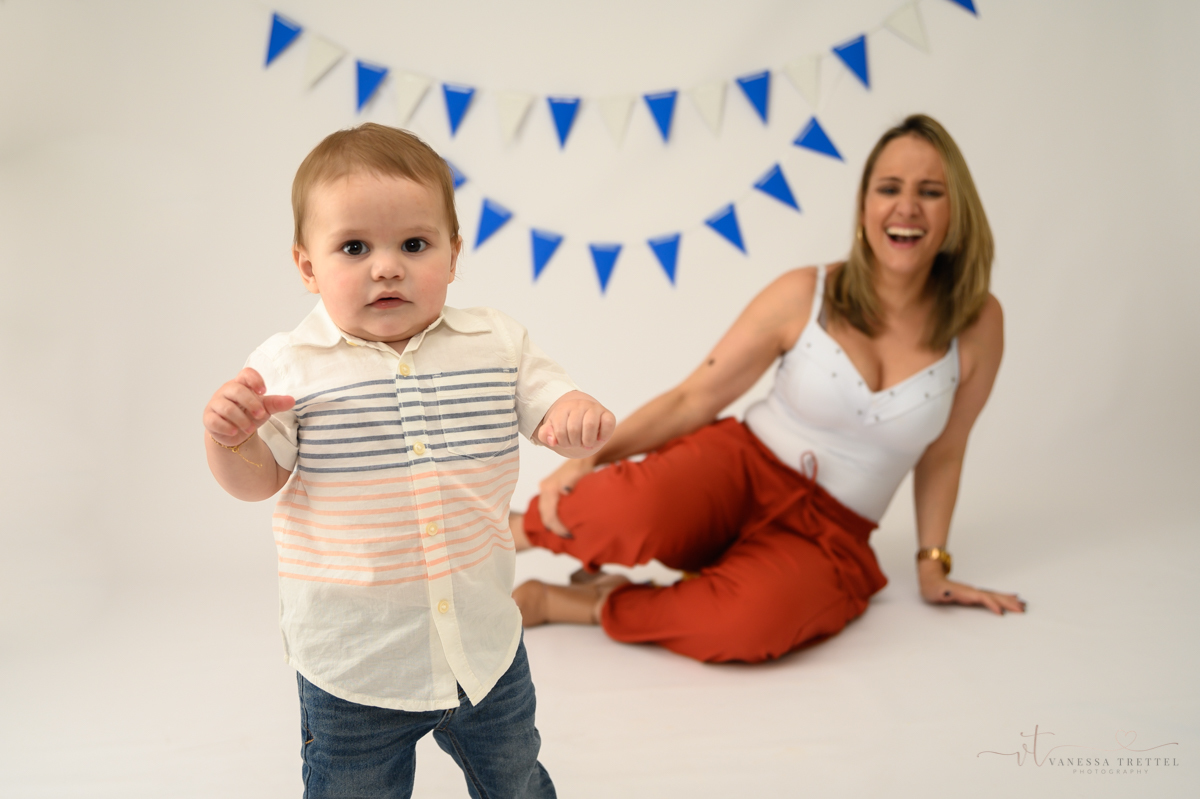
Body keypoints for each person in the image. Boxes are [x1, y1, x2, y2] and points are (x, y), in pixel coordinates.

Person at [511, 114, 1025, 664]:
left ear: (956, 211)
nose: (906, 207)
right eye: (889, 188)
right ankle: (513, 530)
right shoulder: (806, 291)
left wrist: (932, 563)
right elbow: (694, 398)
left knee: (744, 629)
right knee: (602, 510)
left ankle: (585, 603)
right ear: (865, 206)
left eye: (930, 192)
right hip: (737, 469)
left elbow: (946, 450)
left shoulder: (978, 323)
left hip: (830, 533)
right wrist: (587, 461)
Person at [202, 123, 614, 798]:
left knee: (515, 778)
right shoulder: (288, 366)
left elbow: (552, 407)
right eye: (354, 247)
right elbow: (258, 481)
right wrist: (231, 441)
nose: (386, 266)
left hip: (483, 646)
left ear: (454, 255)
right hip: (357, 661)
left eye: (414, 244)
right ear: (308, 265)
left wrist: (573, 416)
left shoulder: (495, 343)